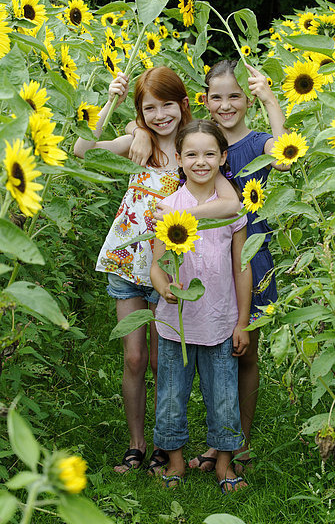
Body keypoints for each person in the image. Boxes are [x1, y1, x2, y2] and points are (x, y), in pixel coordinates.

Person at [74, 67, 241, 475]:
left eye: (168, 104)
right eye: (149, 108)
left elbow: (230, 204)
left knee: (162, 362)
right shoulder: (137, 143)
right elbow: (82, 149)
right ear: (141, 112)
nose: (160, 114)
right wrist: (112, 102)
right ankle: (136, 444)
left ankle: (168, 444)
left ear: (184, 104)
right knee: (134, 358)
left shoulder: (193, 147)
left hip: (171, 266)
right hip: (127, 261)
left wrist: (179, 213)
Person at [127, 60, 290, 474]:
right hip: (197, 264)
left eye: (235, 95)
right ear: (203, 101)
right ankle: (214, 449)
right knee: (208, 367)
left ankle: (235, 446)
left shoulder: (253, 144)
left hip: (245, 256)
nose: (225, 103)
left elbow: (283, 156)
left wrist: (271, 99)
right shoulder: (197, 145)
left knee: (245, 353)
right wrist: (137, 130)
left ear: (247, 100)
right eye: (217, 96)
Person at [150, 119, 252, 492]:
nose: (201, 162)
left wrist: (242, 321)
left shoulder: (229, 211)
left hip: (221, 319)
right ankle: (175, 461)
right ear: (178, 159)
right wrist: (164, 288)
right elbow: (156, 265)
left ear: (223, 157)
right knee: (171, 396)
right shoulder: (167, 208)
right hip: (175, 322)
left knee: (224, 396)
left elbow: (242, 267)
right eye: (191, 154)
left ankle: (224, 464)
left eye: (210, 153)